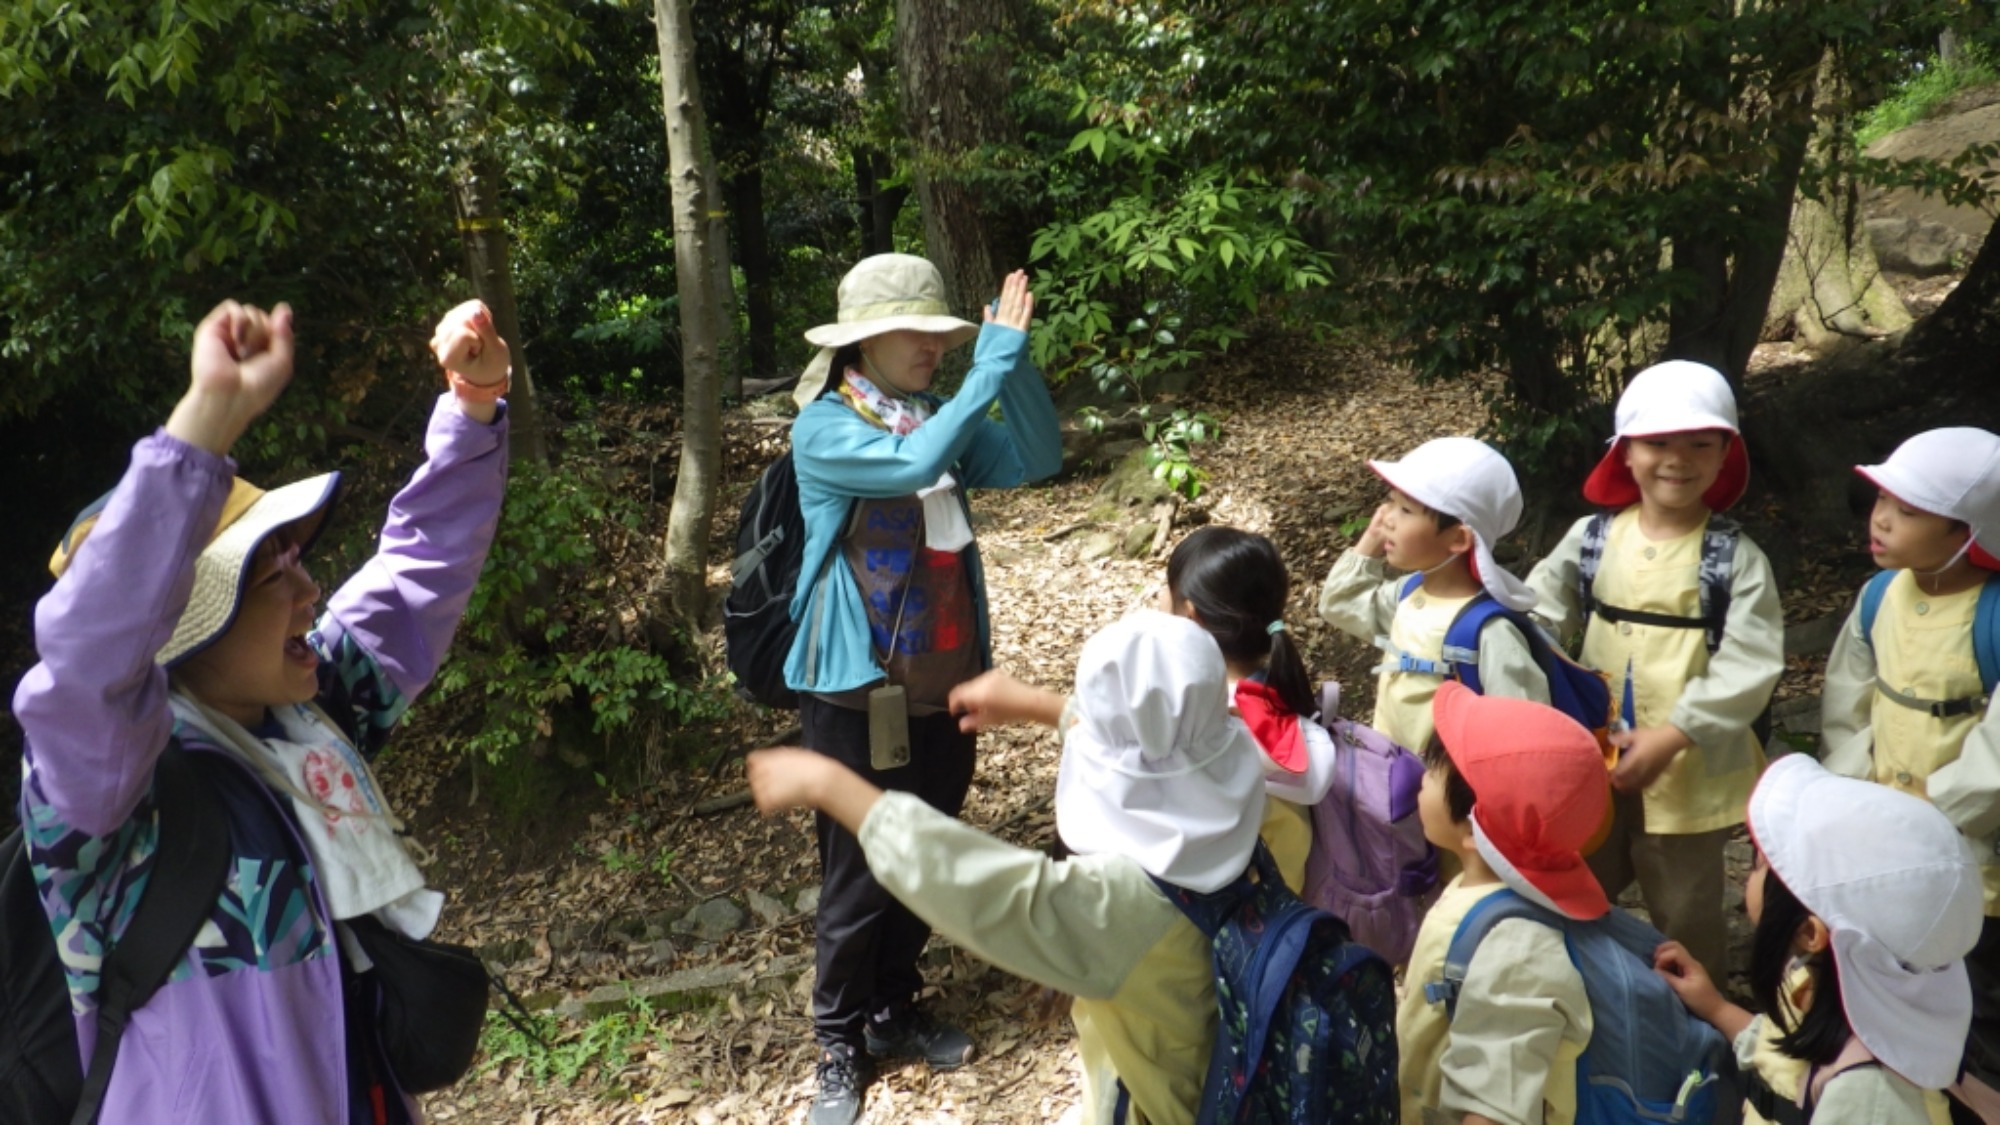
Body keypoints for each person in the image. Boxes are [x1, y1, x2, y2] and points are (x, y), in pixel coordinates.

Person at [14, 297, 512, 1123]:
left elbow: (418, 568)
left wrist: (472, 403)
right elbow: (87, 657)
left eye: (296, 561)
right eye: (272, 577)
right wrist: (208, 416)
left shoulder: (310, 722)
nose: (310, 590)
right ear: (176, 625)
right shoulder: (108, 807)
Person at [748, 609, 1268, 1125]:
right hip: (1233, 1080)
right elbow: (1156, 743)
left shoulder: (1126, 909)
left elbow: (990, 887)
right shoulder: (1253, 807)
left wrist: (831, 786)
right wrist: (1041, 707)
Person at [785, 253, 1063, 1124]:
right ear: (862, 342)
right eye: (915, 331)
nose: (932, 346)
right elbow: (911, 468)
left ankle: (894, 1008)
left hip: (945, 686)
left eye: (943, 333)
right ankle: (837, 1039)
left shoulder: (932, 415)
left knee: (926, 857)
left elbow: (1036, 457)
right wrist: (986, 366)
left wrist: (1007, 363)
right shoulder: (827, 429)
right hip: (856, 692)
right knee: (859, 872)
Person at [1523, 360, 1783, 977]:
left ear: (1726, 456)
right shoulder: (1593, 538)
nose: (1678, 459)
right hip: (1593, 758)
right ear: (1626, 454)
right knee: (1580, 889)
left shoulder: (1733, 558)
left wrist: (1674, 736)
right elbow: (1533, 613)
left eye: (1701, 444)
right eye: (1658, 443)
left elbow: (1750, 662)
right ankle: (1590, 1002)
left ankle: (1702, 1029)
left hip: (1692, 770)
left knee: (1687, 912)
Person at [1819, 427, 2000, 1123]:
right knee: (1890, 991)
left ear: (1968, 529)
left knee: (1976, 1003)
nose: (1882, 518)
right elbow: (1848, 702)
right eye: (1883, 499)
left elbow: (1992, 757)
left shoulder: (1991, 615)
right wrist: (1855, 800)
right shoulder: (1878, 598)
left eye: (1911, 509)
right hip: (1881, 849)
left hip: (1971, 864)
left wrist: (1932, 812)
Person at [1656, 755, 1983, 1124]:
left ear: (1810, 932)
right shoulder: (1837, 979)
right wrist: (1715, 1007)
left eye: (1760, 863)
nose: (1751, 870)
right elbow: (1783, 1050)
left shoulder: (1868, 1096)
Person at [1398, 683, 1604, 1124]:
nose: (1421, 774)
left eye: (1434, 768)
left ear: (1475, 831)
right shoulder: (1477, 889)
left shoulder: (1516, 956)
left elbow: (1493, 1108)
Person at [1318, 436, 1551, 757]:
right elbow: (1340, 603)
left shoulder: (1489, 631)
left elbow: (1524, 739)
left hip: (1450, 801)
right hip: (1396, 788)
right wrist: (1371, 539)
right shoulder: (1409, 593)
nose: (1386, 517)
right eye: (1390, 502)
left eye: (1405, 509)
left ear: (1457, 539)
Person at [1162, 525, 1336, 892]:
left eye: (1167, 592)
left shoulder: (1201, 723)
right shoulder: (1278, 685)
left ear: (1191, 617)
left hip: (1237, 912)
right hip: (1291, 893)